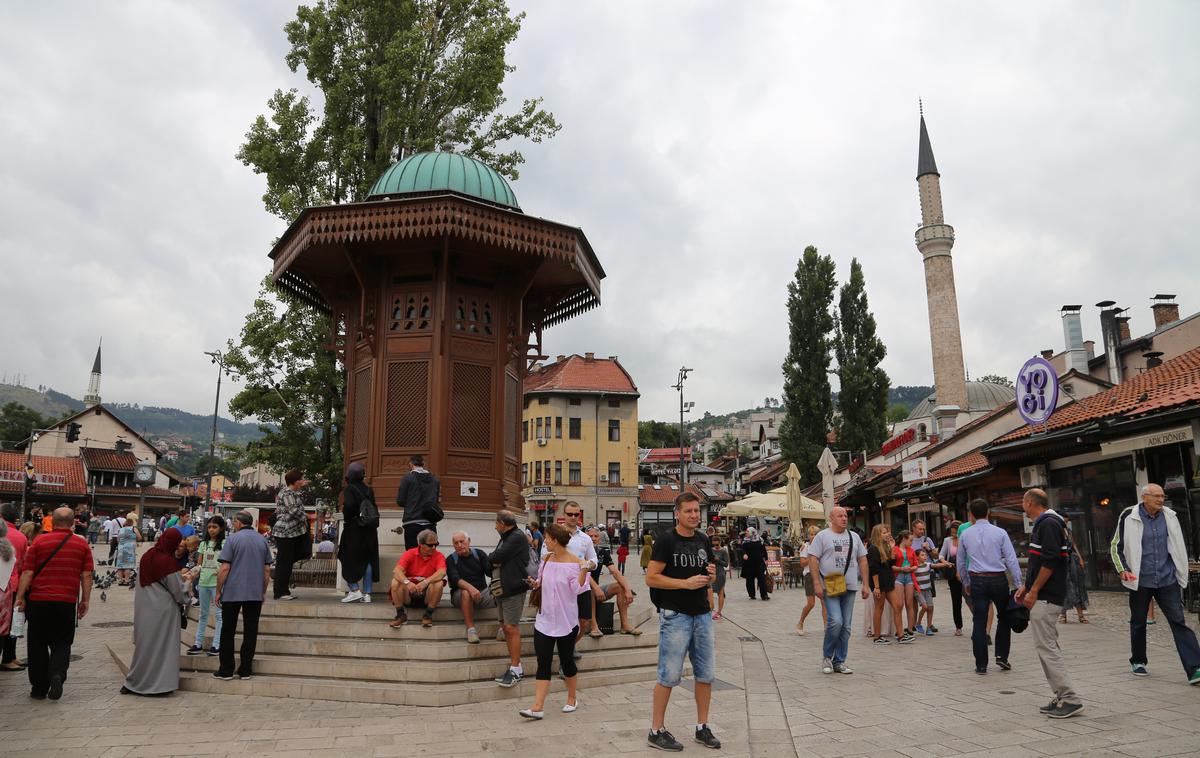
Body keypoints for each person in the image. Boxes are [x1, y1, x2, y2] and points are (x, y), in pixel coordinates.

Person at [645, 491, 721, 751]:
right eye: (688, 511)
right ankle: (656, 730)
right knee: (669, 675)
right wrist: (684, 584)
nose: (693, 515)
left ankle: (702, 727)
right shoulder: (666, 540)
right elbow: (652, 578)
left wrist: (709, 577)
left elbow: (706, 573)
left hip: (701, 614)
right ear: (676, 513)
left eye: (696, 511)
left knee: (706, 674)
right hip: (675, 614)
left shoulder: (702, 539)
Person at [1110, 483, 1200, 685]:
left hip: (1167, 579)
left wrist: (1180, 570)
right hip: (1140, 580)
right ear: (1144, 498)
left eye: (1162, 496)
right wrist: (1122, 569)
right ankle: (1138, 661)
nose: (1161, 500)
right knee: (1139, 621)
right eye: (1156, 496)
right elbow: (1116, 546)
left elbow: (1177, 545)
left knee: (1179, 622)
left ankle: (1195, 667)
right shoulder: (1128, 515)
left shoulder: (1170, 516)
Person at [1014, 488, 1084, 718]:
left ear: (1030, 502)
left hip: (1047, 595)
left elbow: (1051, 560)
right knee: (1047, 645)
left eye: (1023, 501)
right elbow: (1038, 560)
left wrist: (1033, 590)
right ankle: (1061, 695)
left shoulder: (1048, 524)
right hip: (1044, 593)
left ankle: (1069, 698)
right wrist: (1026, 585)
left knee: (1047, 647)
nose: (1022, 505)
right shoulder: (1047, 523)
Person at [14, 507, 93, 700]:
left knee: (37, 644)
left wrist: (20, 596)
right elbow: (86, 575)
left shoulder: (39, 542)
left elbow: (27, 572)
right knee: (63, 642)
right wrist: (85, 600)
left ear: (53, 522)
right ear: (73, 522)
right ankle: (57, 674)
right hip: (66, 602)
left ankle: (39, 688)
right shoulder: (81, 545)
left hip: (39, 601)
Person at [518, 523, 590, 720]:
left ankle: (572, 698)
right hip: (544, 620)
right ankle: (537, 706)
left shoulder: (576, 563)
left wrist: (584, 569)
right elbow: (541, 581)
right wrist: (535, 584)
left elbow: (577, 589)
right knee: (543, 662)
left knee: (567, 662)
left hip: (566, 622)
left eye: (547, 539)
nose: (545, 542)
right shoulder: (546, 559)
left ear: (555, 540)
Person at [957, 499, 1022, 675]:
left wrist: (966, 582)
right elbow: (1011, 559)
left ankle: (981, 664)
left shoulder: (965, 534)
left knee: (979, 621)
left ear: (971, 514)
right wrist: (1019, 584)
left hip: (977, 579)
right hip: (998, 579)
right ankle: (1001, 656)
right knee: (1004, 617)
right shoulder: (1000, 533)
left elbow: (961, 562)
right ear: (988, 512)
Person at [122, 528, 189, 696]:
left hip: (145, 609)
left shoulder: (148, 556)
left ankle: (134, 682)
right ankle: (160, 685)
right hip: (164, 612)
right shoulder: (168, 562)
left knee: (144, 647)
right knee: (163, 648)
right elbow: (179, 592)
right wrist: (189, 582)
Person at [213, 511, 273, 681]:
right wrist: (262, 591)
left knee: (228, 630)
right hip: (254, 593)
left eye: (234, 522)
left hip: (232, 592)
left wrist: (219, 590)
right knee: (251, 630)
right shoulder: (262, 540)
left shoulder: (232, 539)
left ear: (239, 523)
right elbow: (267, 570)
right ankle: (245, 669)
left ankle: (226, 669)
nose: (233, 524)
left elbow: (225, 568)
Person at [809, 506, 869, 675]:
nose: (844, 518)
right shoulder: (822, 536)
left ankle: (839, 661)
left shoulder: (854, 536)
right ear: (831, 518)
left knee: (846, 626)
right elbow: (813, 559)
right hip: (830, 585)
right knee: (836, 621)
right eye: (840, 515)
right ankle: (827, 657)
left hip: (850, 586)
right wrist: (816, 583)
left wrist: (865, 584)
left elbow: (862, 560)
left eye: (845, 515)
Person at [540, 502, 598, 648]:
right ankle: (562, 650)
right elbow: (544, 556)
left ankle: (568, 648)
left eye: (576, 514)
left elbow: (593, 559)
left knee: (584, 621)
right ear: (564, 515)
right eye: (569, 514)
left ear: (580, 515)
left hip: (581, 582)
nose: (573, 517)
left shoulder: (585, 538)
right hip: (561, 584)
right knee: (560, 618)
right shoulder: (554, 535)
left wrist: (587, 565)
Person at [490, 510, 532, 688]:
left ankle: (516, 669)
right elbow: (494, 559)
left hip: (513, 588)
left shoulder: (516, 536)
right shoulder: (507, 536)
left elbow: (495, 556)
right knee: (505, 627)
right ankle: (514, 667)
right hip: (502, 588)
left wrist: (493, 559)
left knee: (511, 627)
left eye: (496, 523)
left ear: (503, 523)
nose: (494, 526)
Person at [585, 526, 642, 636]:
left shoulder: (602, 552)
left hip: (596, 590)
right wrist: (596, 588)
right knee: (590, 589)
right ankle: (594, 627)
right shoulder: (581, 552)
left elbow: (615, 572)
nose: (593, 538)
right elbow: (583, 573)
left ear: (599, 538)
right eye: (590, 536)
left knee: (620, 587)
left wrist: (627, 589)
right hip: (582, 591)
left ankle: (624, 625)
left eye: (595, 536)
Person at [339, 462, 380, 604]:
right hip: (369, 529)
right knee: (367, 559)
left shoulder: (350, 489)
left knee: (346, 556)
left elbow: (349, 506)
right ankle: (367, 593)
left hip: (354, 528)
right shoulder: (369, 489)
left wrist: (347, 516)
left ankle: (355, 590)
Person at [389, 529, 446, 629]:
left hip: (427, 596)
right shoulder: (410, 553)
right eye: (430, 545)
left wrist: (425, 582)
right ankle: (401, 615)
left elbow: (442, 572)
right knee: (395, 582)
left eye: (436, 544)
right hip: (408, 594)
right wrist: (407, 583)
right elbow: (396, 571)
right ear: (421, 544)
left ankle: (428, 614)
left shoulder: (439, 556)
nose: (434, 547)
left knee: (439, 583)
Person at [187, 516, 226, 656]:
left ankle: (217, 644)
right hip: (203, 582)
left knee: (219, 615)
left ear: (221, 528)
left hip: (218, 583)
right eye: (209, 527)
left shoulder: (225, 543)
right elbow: (199, 563)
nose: (211, 530)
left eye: (214, 527)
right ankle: (198, 643)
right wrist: (191, 576)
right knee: (203, 614)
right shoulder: (203, 544)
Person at [447, 530, 494, 644]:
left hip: (482, 592)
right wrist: (470, 588)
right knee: (466, 593)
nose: (459, 545)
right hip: (460, 595)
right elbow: (455, 579)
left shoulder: (479, 554)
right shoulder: (451, 559)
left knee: (502, 590)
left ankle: (504, 627)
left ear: (469, 541)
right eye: (456, 543)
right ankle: (471, 630)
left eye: (462, 541)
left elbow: (490, 572)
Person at [271, 469, 309, 600]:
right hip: (285, 532)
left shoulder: (292, 492)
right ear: (295, 481)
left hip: (292, 532)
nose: (302, 481)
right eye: (301, 479)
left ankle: (282, 590)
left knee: (288, 560)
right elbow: (293, 510)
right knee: (284, 562)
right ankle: (281, 591)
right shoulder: (287, 493)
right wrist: (307, 516)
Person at [1, 503, 28, 671]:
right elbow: (22, 566)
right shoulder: (20, 537)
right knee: (11, 623)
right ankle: (10, 657)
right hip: (12, 585)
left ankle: (9, 658)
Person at [395, 455, 441, 551]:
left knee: (412, 555)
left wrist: (411, 503)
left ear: (411, 464)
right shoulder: (435, 479)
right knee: (430, 555)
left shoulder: (407, 478)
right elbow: (435, 502)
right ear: (423, 464)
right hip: (429, 522)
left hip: (412, 522)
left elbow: (400, 501)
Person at [867, 524, 902, 645]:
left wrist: (892, 548)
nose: (887, 534)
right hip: (879, 583)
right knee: (879, 608)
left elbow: (891, 563)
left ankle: (901, 635)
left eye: (888, 532)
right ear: (877, 535)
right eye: (884, 532)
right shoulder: (873, 549)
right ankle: (877, 637)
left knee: (897, 606)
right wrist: (876, 587)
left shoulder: (886, 547)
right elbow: (873, 569)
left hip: (888, 581)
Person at [796, 525, 826, 636]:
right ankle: (800, 622)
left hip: (822, 575)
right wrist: (812, 557)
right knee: (811, 603)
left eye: (816, 534)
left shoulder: (823, 546)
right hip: (809, 575)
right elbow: (802, 563)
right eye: (811, 534)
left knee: (824, 602)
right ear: (808, 535)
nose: (813, 536)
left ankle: (826, 627)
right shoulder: (806, 547)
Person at [939, 521, 966, 636]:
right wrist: (945, 562)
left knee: (971, 600)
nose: (954, 534)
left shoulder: (965, 538)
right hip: (953, 572)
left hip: (965, 572)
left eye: (956, 532)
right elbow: (941, 555)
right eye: (952, 532)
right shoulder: (947, 541)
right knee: (956, 601)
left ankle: (978, 622)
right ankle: (958, 626)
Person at [892, 530, 918, 639]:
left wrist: (911, 568)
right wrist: (901, 568)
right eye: (910, 540)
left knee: (909, 602)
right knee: (899, 603)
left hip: (909, 576)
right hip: (898, 575)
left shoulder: (911, 550)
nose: (912, 542)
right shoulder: (894, 549)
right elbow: (891, 566)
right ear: (904, 538)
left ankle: (910, 628)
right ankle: (900, 629)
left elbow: (916, 564)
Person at [1059, 530, 1089, 624]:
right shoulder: (1054, 530)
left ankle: (1081, 615)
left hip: (1073, 562)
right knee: (1065, 588)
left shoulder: (1068, 531)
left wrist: (1080, 558)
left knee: (1077, 587)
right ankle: (1063, 615)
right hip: (1062, 562)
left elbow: (1074, 546)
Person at [740, 527, 769, 600]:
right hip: (749, 563)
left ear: (752, 532)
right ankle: (752, 594)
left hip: (759, 562)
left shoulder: (760, 540)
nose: (746, 533)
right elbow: (742, 550)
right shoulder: (745, 541)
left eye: (747, 531)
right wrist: (744, 554)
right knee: (750, 579)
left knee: (761, 578)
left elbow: (764, 550)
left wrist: (766, 559)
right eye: (746, 531)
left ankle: (764, 595)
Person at [913, 549, 935, 636]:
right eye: (922, 555)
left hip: (928, 590)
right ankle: (918, 624)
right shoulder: (915, 567)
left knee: (930, 608)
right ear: (917, 557)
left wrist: (945, 564)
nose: (925, 557)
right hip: (919, 591)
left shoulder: (928, 565)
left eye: (925, 555)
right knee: (925, 607)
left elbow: (936, 565)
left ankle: (929, 627)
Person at [114, 512, 140, 585]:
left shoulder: (121, 529)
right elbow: (139, 537)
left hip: (121, 548)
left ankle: (120, 580)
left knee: (120, 565)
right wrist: (133, 540)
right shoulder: (133, 529)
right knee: (128, 565)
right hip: (129, 548)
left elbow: (118, 540)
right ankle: (126, 580)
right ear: (132, 523)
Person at [708, 535, 728, 620]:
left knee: (720, 592)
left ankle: (719, 612)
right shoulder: (711, 550)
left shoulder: (724, 551)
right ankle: (710, 610)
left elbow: (726, 564)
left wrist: (717, 560)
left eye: (717, 545)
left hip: (720, 573)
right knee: (709, 592)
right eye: (714, 544)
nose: (715, 546)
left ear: (720, 543)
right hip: (712, 572)